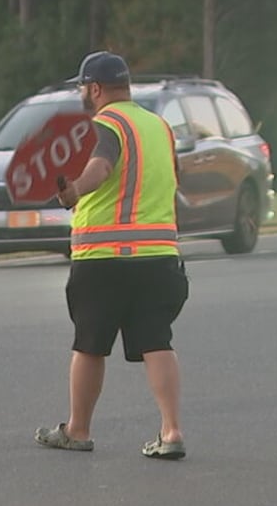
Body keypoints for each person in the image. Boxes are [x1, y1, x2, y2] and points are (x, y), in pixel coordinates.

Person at [34, 51, 190, 460]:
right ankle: (171, 431)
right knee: (157, 341)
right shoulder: (159, 126)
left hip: (103, 256)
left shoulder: (105, 123)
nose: (81, 94)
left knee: (89, 344)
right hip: (157, 254)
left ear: (96, 88)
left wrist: (74, 192)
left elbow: (101, 168)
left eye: (83, 87)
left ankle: (78, 429)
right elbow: (172, 175)